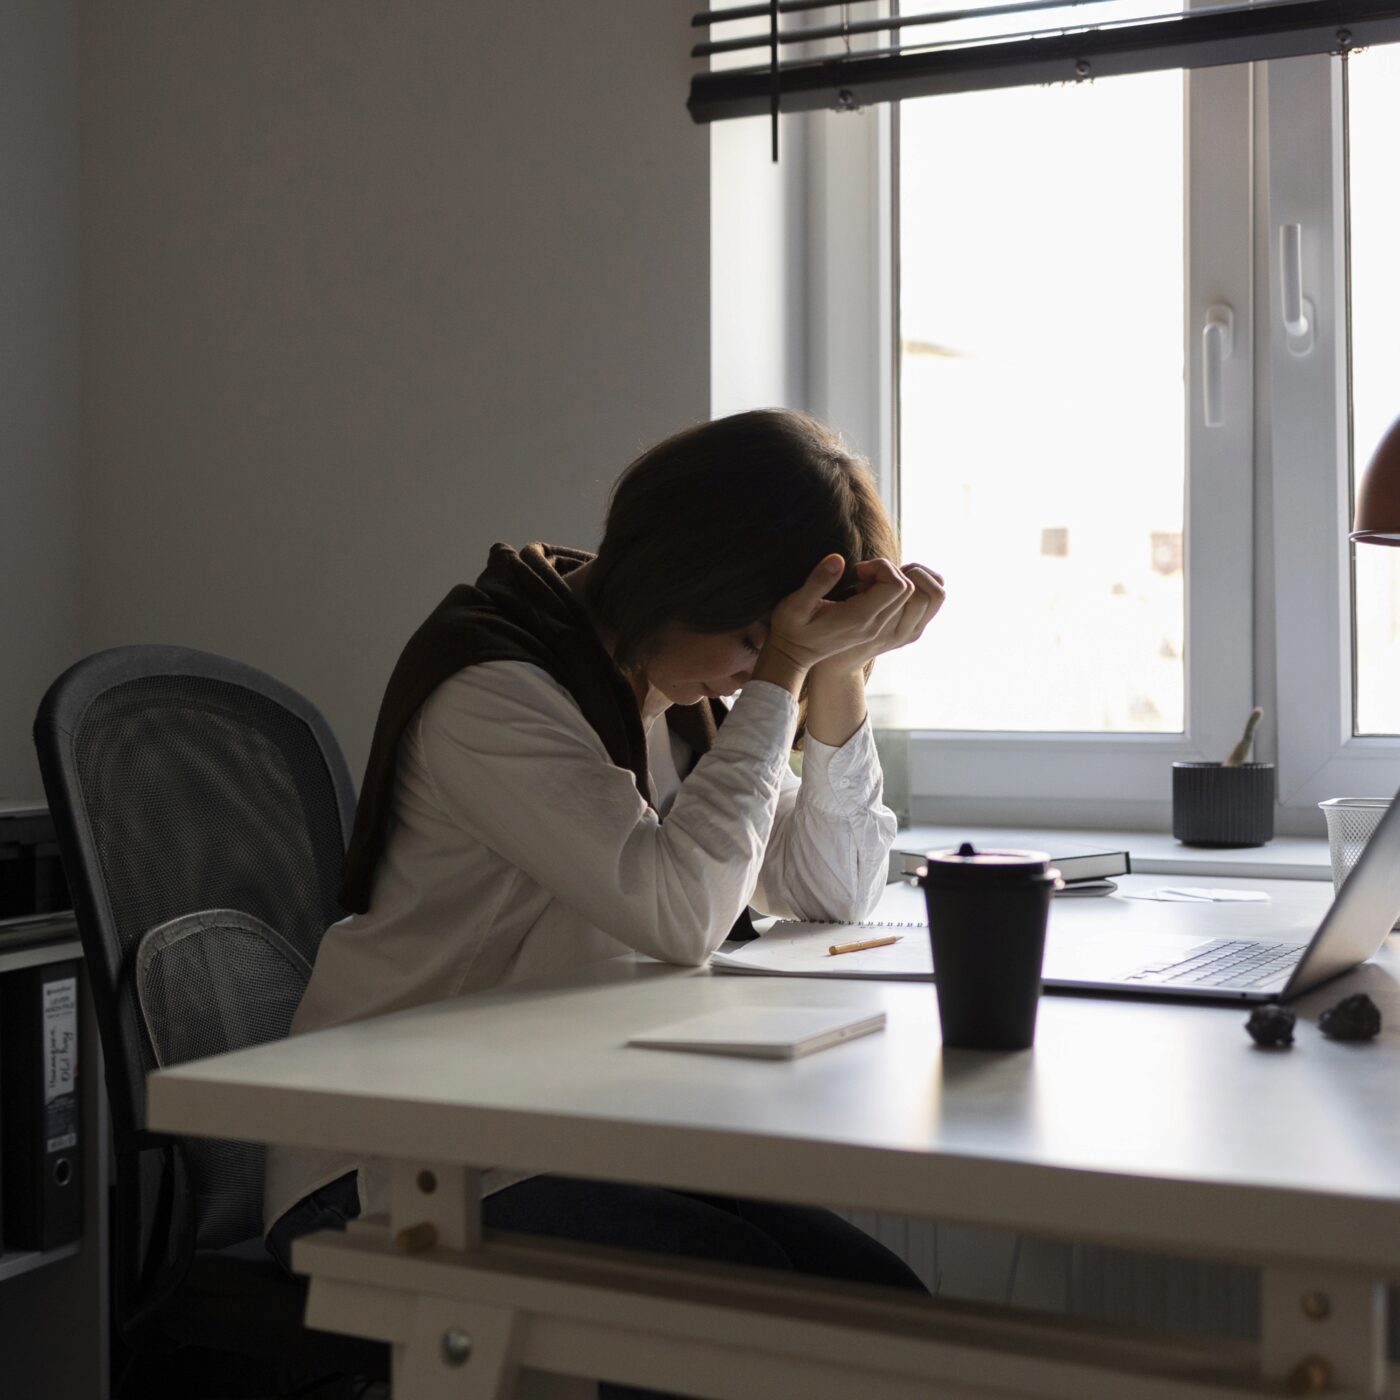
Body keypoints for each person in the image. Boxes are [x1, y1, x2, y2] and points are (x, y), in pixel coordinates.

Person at [263, 408, 945, 1398]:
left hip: (564, 1130)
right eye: (750, 639)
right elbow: (678, 912)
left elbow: (832, 889)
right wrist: (782, 676)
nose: (751, 672)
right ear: (684, 582)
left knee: (886, 1314)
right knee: (761, 1336)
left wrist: (838, 672)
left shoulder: (677, 692)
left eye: (775, 645)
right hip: (396, 1165)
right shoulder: (495, 686)